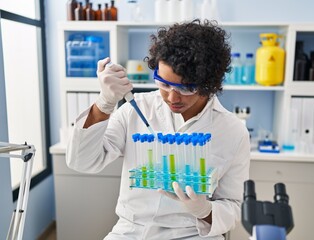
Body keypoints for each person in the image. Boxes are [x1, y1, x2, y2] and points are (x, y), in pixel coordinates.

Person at [66, 19, 250, 240]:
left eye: (187, 88)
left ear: (209, 83)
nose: (172, 97)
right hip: (131, 231)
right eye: (164, 83)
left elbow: (233, 205)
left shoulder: (232, 131)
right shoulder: (135, 110)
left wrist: (206, 211)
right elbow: (82, 161)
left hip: (193, 234)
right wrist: (103, 105)